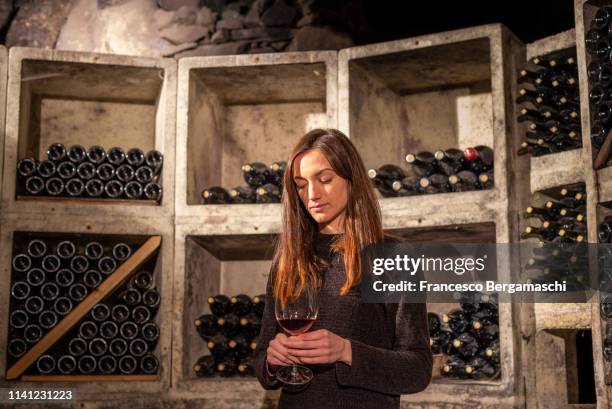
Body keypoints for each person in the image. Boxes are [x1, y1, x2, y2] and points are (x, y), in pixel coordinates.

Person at [253, 128, 432, 409]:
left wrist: (346, 351)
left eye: (325, 179)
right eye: (300, 185)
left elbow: (418, 370)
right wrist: (273, 360)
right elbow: (263, 363)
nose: (312, 194)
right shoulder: (288, 258)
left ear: (352, 181)